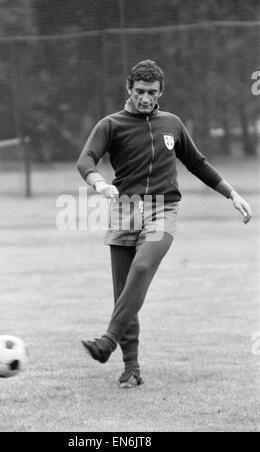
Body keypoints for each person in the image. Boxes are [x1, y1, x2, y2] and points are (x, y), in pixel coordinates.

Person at [77, 60, 252, 389]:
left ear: (161, 93)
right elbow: (85, 159)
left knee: (142, 268)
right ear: (129, 88)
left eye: (152, 92)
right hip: (124, 209)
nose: (145, 98)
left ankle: (107, 342)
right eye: (140, 91)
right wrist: (99, 183)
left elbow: (197, 162)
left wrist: (231, 193)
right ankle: (131, 368)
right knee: (124, 292)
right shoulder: (110, 124)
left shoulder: (171, 123)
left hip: (163, 209)